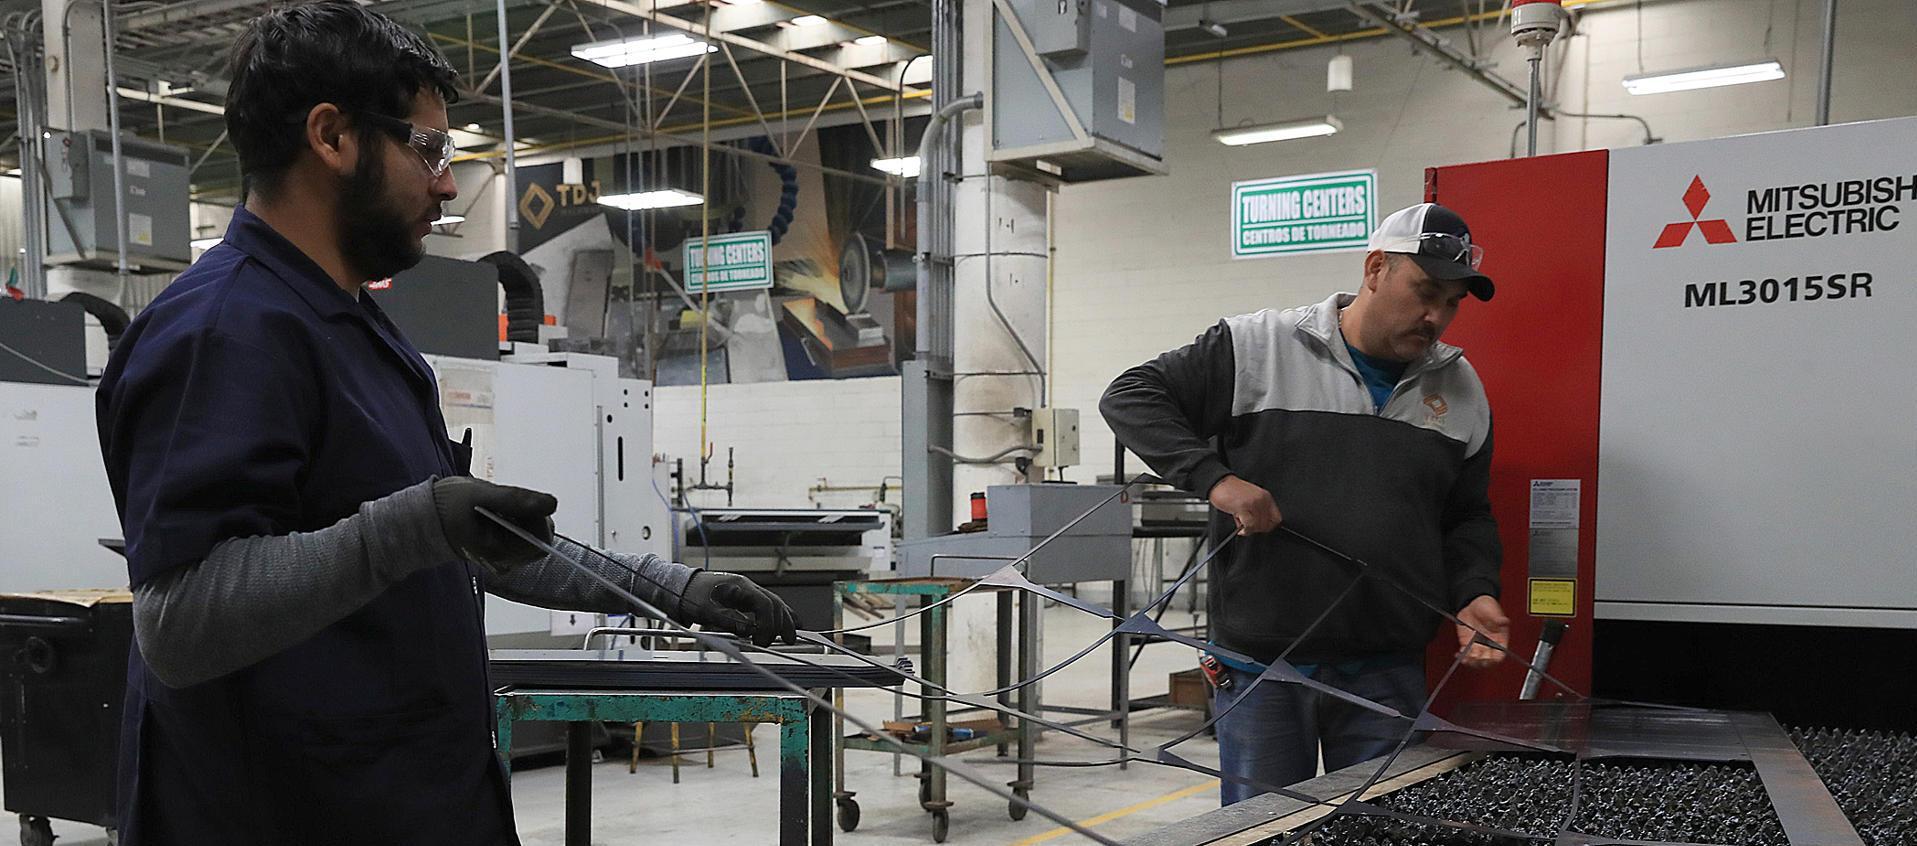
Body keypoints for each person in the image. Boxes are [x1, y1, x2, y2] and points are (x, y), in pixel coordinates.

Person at [94, 5, 796, 843]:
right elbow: (178, 622)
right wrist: (412, 525)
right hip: (285, 809)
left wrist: (662, 589)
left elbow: (464, 538)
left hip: (403, 795)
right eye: (427, 149)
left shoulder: (353, 326)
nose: (445, 183)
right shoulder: (224, 331)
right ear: (332, 137)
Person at [1100, 203, 1510, 805]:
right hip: (1265, 665)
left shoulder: (1459, 385)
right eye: (1425, 291)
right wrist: (1217, 480)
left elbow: (1466, 513)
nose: (1436, 316)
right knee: (1263, 828)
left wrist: (1475, 592)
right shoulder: (1258, 346)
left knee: (1382, 829)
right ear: (1376, 269)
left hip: (1387, 667)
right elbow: (1132, 396)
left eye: (1451, 303)